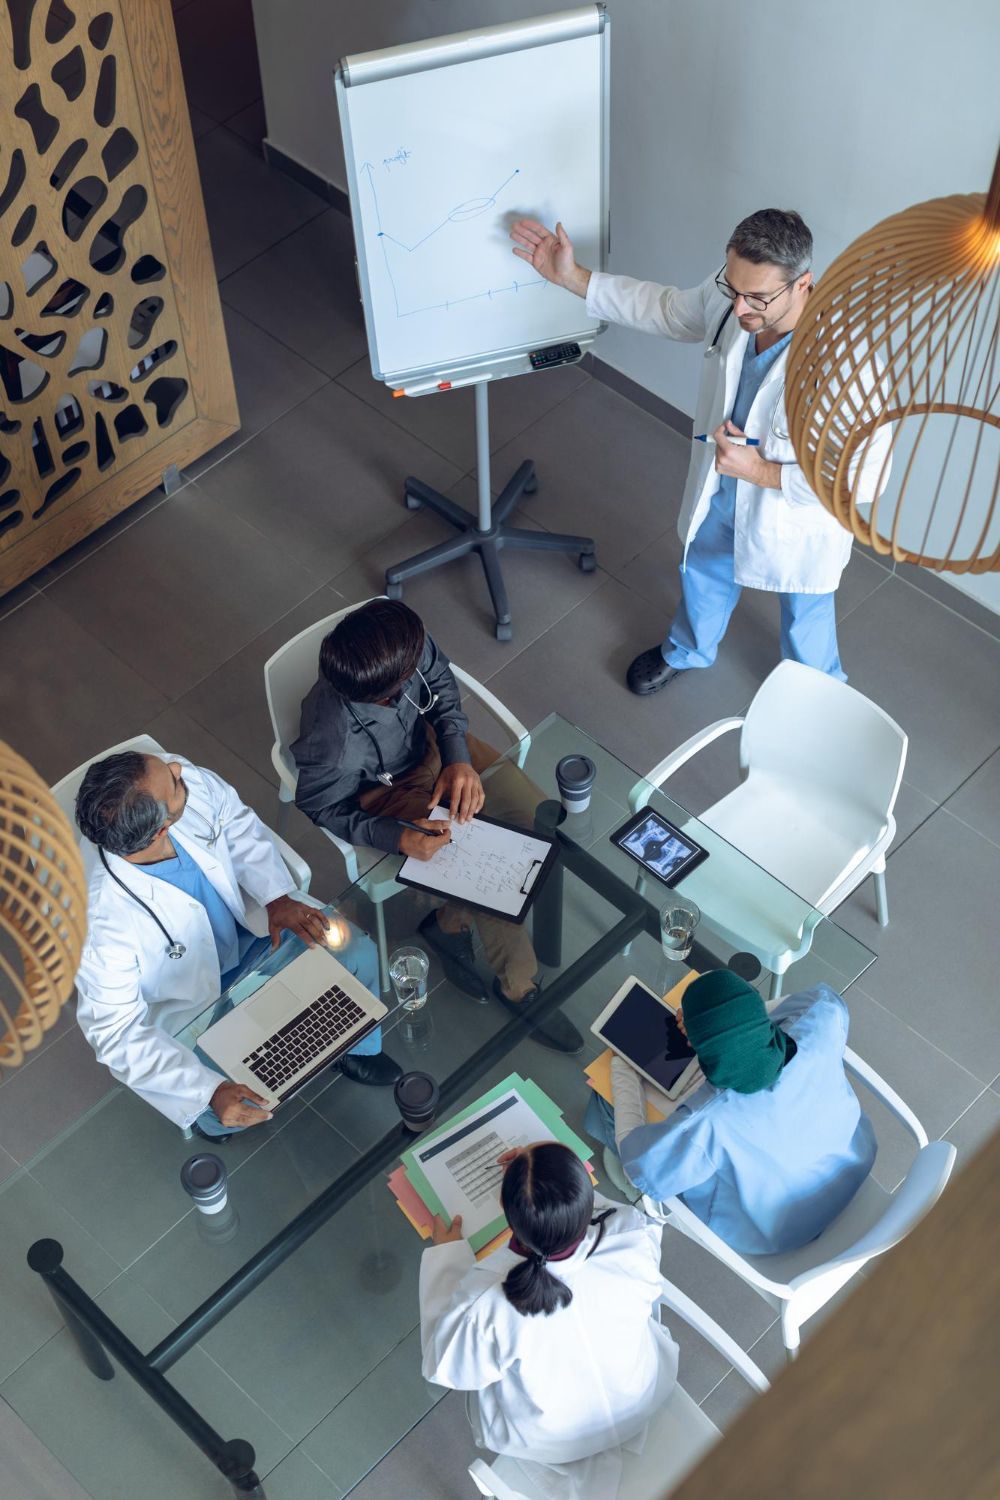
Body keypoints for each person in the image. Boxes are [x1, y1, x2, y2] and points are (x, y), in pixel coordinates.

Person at [511, 208, 892, 692]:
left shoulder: (852, 365)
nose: (738, 309)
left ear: (803, 285)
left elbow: (866, 476)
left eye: (757, 297)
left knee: (806, 612)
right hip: (722, 486)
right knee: (703, 572)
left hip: (796, 514)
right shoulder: (735, 296)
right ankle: (688, 650)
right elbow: (669, 309)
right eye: (733, 289)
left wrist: (762, 473)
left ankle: (816, 695)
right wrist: (574, 278)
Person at [292, 599, 582, 1054]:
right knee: (485, 882)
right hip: (384, 789)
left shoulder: (406, 638)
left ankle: (446, 925)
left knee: (543, 822)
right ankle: (520, 987)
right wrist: (395, 836)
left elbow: (442, 684)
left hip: (438, 745)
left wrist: (458, 759)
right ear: (386, 695)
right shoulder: (328, 741)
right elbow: (320, 805)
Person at [74, 750, 401, 1140]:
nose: (179, 769)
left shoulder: (178, 776)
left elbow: (236, 822)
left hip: (262, 929)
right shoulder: (98, 922)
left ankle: (356, 1048)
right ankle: (213, 1121)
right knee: (217, 1086)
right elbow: (115, 1033)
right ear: (160, 830)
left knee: (357, 953)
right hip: (196, 1002)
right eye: (173, 781)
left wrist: (276, 894)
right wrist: (207, 1092)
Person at [420, 1142, 678, 1499]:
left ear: (505, 1213)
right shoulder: (631, 1233)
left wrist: (446, 1258)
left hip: (552, 1442)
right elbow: (606, 1214)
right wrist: (548, 1182)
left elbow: (444, 1365)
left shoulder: (487, 1302)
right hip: (640, 1397)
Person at [587, 969, 877, 1256]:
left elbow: (641, 1164)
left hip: (778, 1232)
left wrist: (622, 1067)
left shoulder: (707, 1122)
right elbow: (813, 1001)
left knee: (605, 1105)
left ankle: (631, 1192)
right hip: (852, 1161)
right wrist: (731, 1026)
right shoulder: (821, 1019)